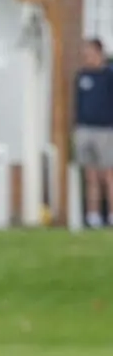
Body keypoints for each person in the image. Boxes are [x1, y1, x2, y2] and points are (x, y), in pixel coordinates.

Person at [74, 38, 113, 228]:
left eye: (90, 52)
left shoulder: (109, 75)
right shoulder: (82, 76)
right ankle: (93, 215)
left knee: (108, 174)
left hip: (105, 129)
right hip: (85, 129)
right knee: (91, 175)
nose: (87, 57)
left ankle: (111, 214)